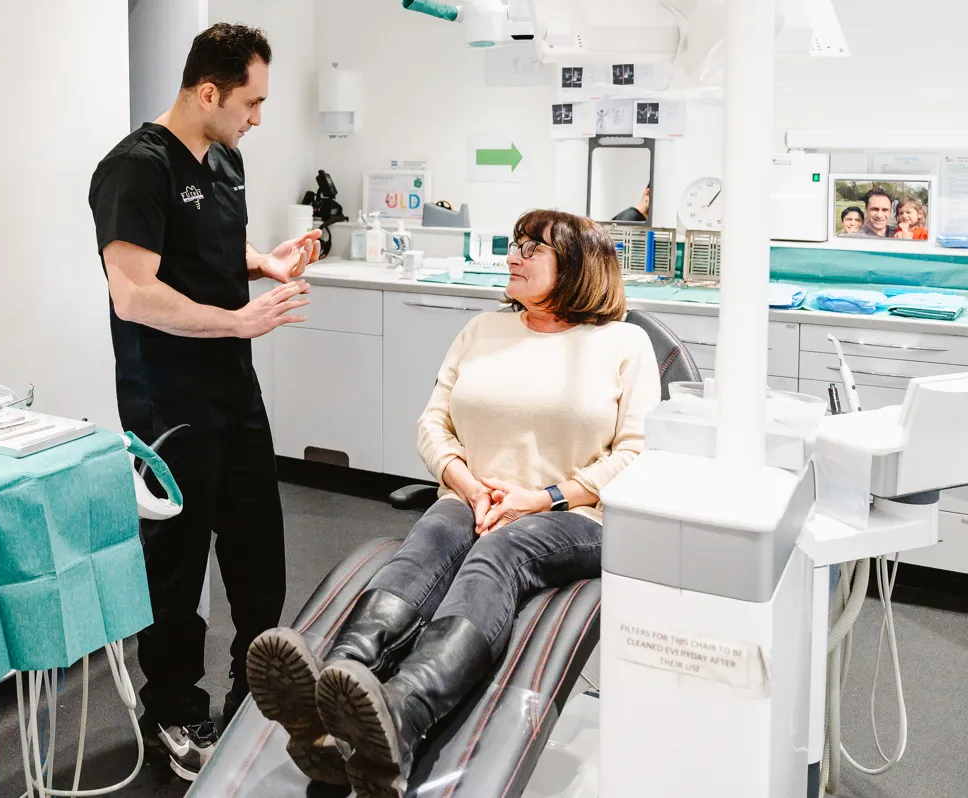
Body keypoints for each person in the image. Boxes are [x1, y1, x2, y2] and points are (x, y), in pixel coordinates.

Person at [245, 210, 660, 796]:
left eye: (531, 249)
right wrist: (464, 483)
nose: (512, 256)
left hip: (573, 515)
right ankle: (337, 683)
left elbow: (638, 453)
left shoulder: (623, 344)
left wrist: (540, 498)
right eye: (514, 245)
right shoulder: (482, 331)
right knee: (435, 536)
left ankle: (404, 712)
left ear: (577, 266)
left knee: (501, 553)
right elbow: (434, 423)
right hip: (472, 494)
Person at [87, 23, 321, 781]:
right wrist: (235, 321)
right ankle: (173, 710)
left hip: (233, 386)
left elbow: (210, 255)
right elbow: (133, 293)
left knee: (257, 546)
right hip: (169, 396)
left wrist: (265, 264)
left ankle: (257, 688)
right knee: (177, 562)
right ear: (207, 91)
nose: (258, 116)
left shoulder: (227, 159)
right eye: (250, 101)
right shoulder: (135, 169)